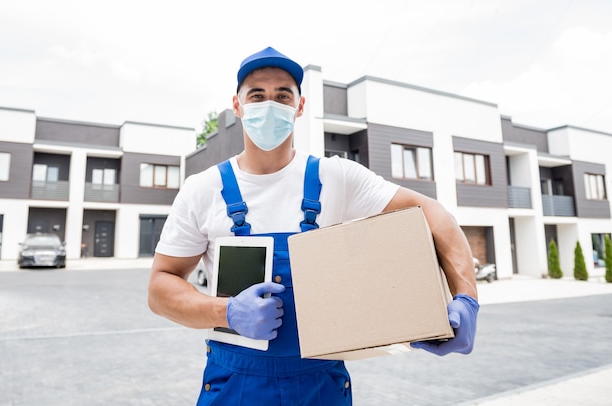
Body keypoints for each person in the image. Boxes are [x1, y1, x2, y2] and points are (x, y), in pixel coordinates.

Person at [148, 46, 479, 405]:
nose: (269, 104)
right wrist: (224, 311)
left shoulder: (335, 177)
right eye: (257, 95)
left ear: (299, 106)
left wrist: (467, 299)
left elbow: (435, 215)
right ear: (237, 105)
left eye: (283, 95)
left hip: (319, 384)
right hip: (234, 385)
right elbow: (160, 287)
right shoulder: (203, 189)